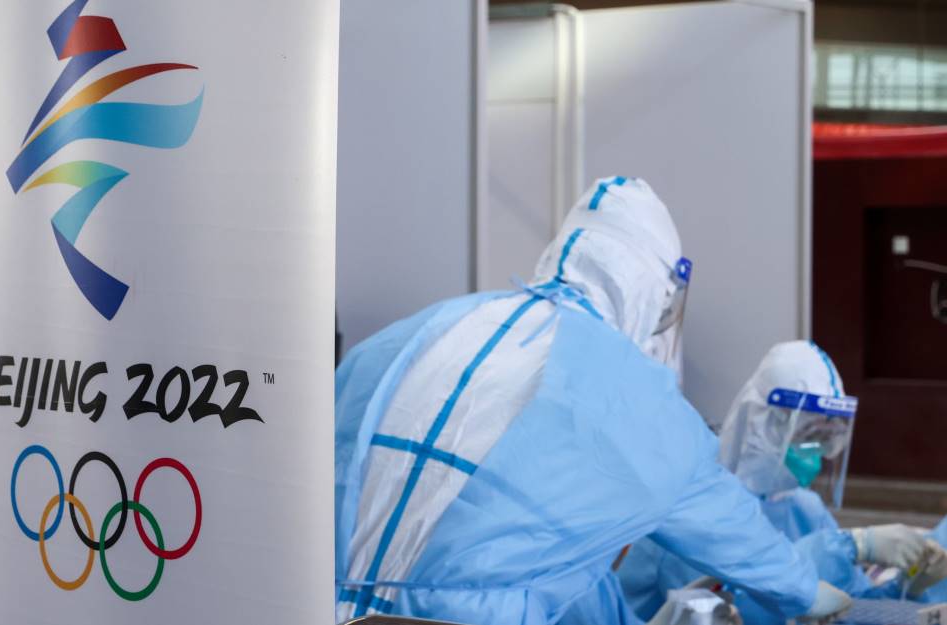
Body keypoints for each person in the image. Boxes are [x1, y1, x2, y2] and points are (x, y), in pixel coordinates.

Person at [334, 177, 849, 625]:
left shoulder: (414, 331)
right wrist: (804, 589)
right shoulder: (637, 397)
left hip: (312, 603)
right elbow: (727, 528)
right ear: (654, 291)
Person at [617, 341, 946, 623]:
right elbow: (745, 608)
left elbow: (848, 603)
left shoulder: (802, 506)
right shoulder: (695, 510)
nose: (818, 454)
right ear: (764, 426)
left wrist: (910, 586)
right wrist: (851, 545)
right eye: (807, 435)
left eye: (826, 439)